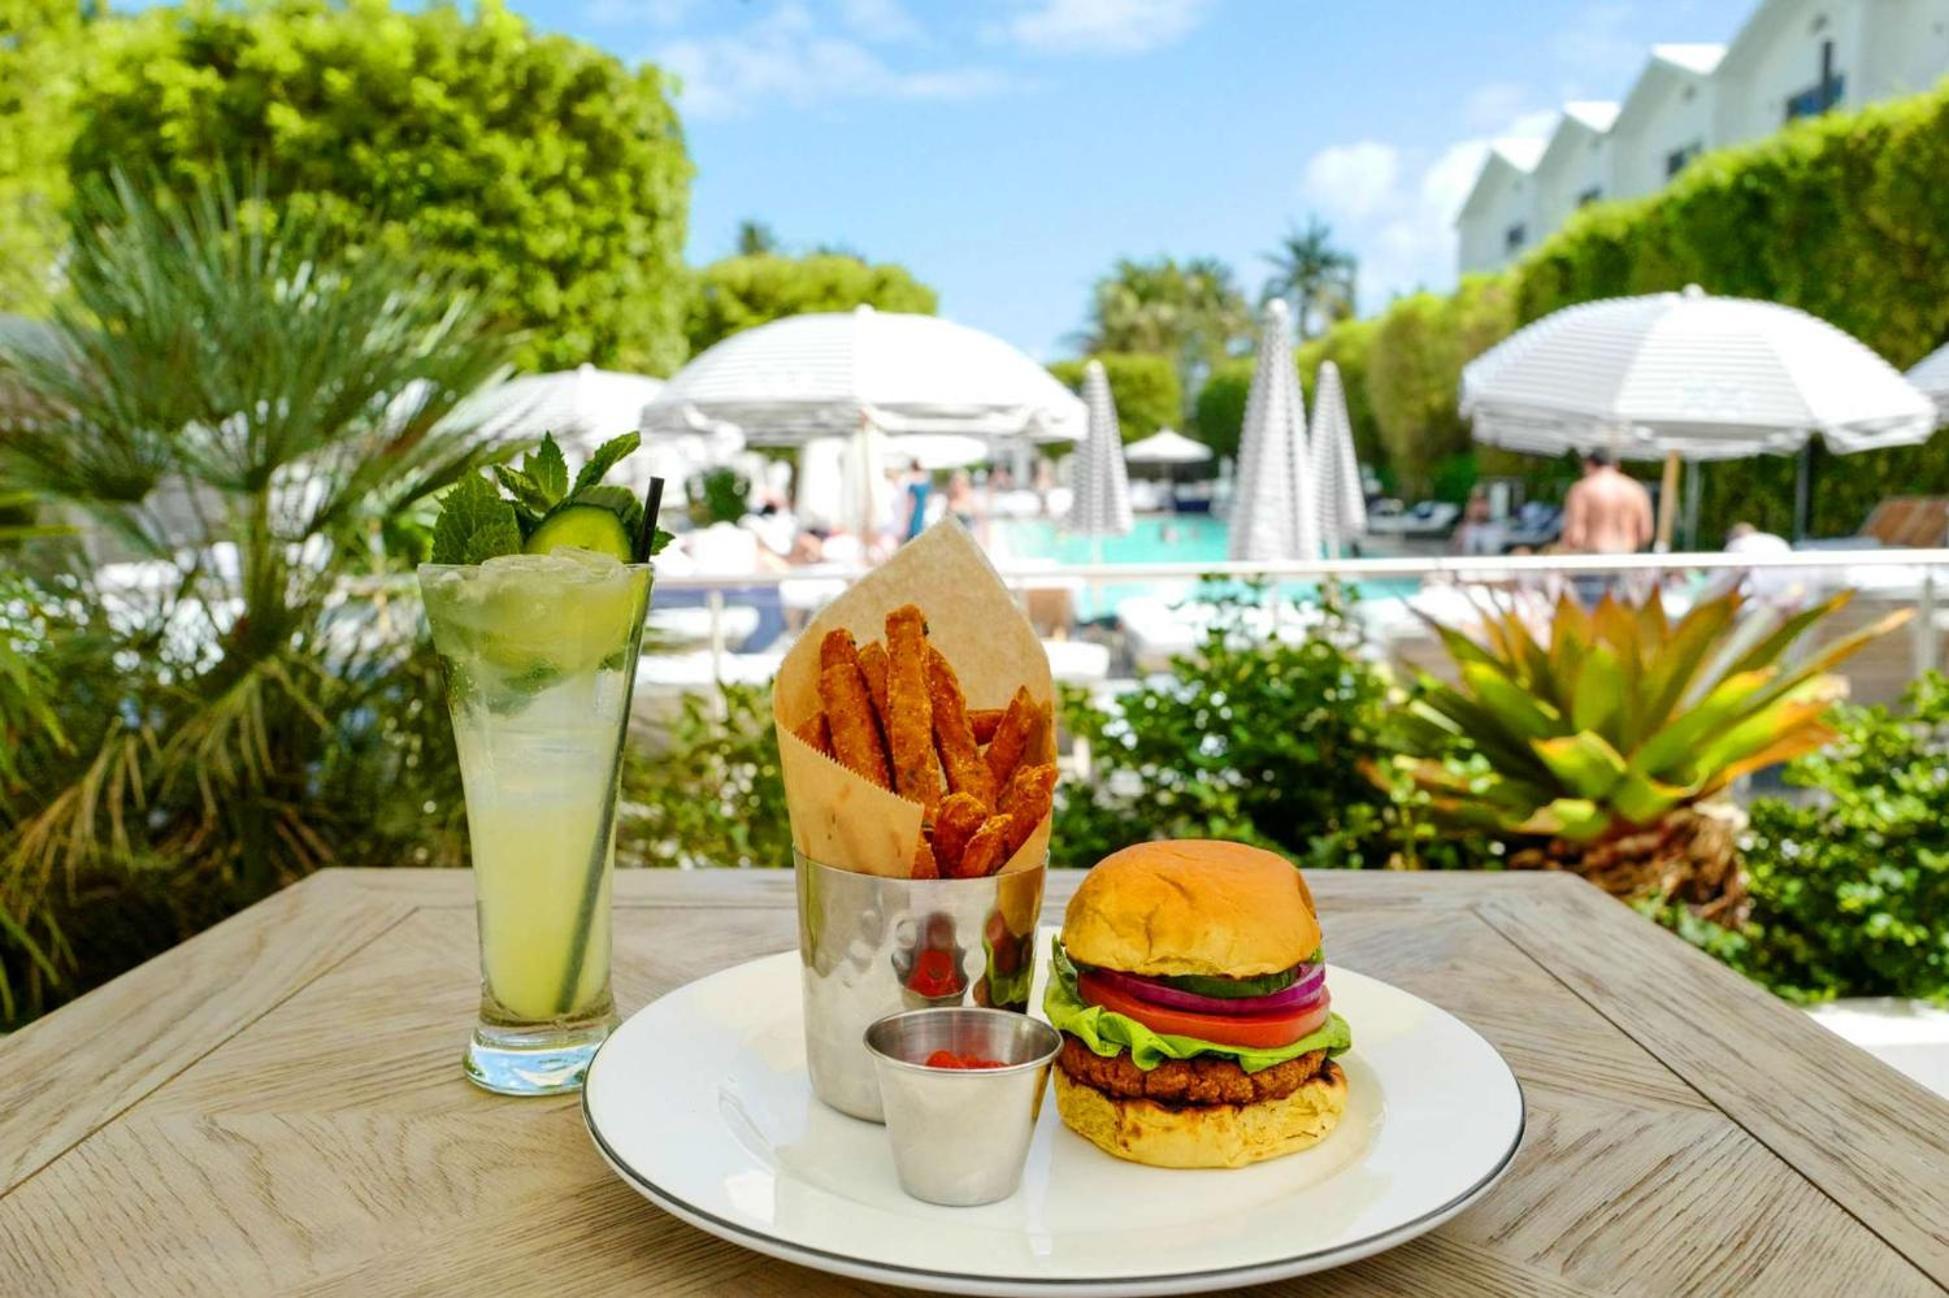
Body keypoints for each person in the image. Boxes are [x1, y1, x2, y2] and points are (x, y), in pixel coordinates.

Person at [1562, 449, 1652, 604]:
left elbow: (1575, 535)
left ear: (1589, 465)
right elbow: (1645, 533)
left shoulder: (1583, 489)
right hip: (1626, 559)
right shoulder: (1636, 490)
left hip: (1593, 562)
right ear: (1617, 465)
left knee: (1592, 619)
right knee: (1622, 618)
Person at [900, 460, 932, 543]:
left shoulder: (911, 479)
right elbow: (928, 499)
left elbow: (909, 501)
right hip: (922, 508)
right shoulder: (926, 478)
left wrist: (906, 516)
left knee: (913, 532)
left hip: (915, 510)